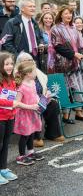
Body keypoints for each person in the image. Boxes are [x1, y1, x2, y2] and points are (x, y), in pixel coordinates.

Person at [49, 6, 83, 123]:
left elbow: (82, 44)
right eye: (66, 13)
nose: (69, 15)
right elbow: (57, 46)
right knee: (65, 89)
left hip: (75, 64)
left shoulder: (73, 28)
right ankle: (65, 115)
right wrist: (74, 54)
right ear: (60, 14)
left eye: (70, 13)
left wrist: (82, 53)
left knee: (77, 87)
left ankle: (79, 112)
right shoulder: (56, 29)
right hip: (61, 65)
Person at [15, 52, 64, 147]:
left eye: (30, 60)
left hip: (40, 99)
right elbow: (17, 96)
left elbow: (45, 87)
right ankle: (35, 137)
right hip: (27, 104)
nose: (29, 63)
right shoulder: (17, 75)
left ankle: (52, 133)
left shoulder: (37, 73)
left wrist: (47, 94)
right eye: (25, 61)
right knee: (36, 108)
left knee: (53, 104)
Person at [0, 52, 30, 183]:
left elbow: (12, 95)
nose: (10, 66)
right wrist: (14, 103)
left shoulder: (11, 80)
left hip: (10, 117)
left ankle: (3, 168)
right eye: (6, 64)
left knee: (5, 144)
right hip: (0, 118)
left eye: (11, 64)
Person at [14, 60, 44, 166]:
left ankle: (30, 152)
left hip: (33, 113)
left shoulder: (32, 82)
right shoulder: (21, 87)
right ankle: (21, 156)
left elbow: (35, 95)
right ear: (28, 73)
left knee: (31, 132)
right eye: (34, 71)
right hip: (24, 115)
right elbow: (16, 103)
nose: (36, 73)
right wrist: (30, 107)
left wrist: (40, 101)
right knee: (25, 135)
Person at [1, 0, 44, 65]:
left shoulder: (34, 23)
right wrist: (18, 55)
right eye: (30, 6)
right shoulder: (12, 23)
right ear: (22, 9)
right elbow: (6, 42)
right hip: (20, 60)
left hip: (35, 58)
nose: (33, 8)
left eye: (34, 6)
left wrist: (41, 43)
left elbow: (40, 37)